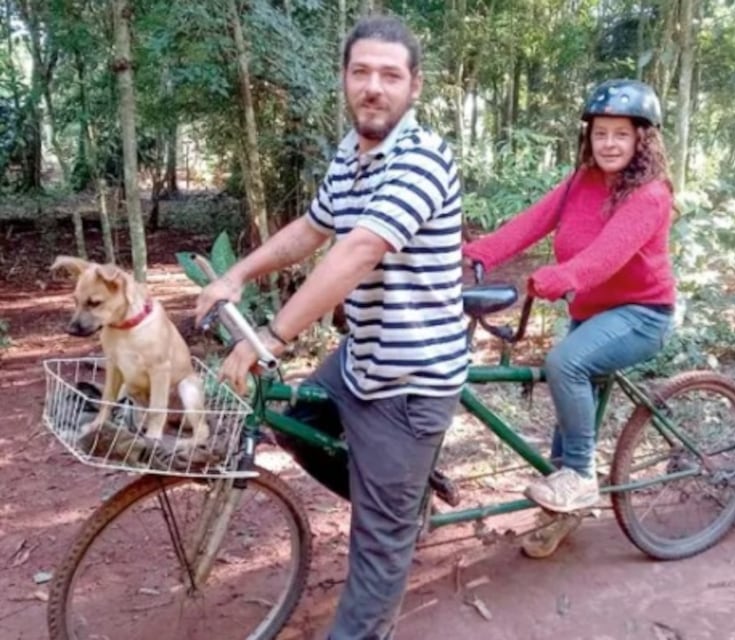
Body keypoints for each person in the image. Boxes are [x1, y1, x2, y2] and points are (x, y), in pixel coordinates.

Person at [195, 15, 467, 640]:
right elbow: (314, 229)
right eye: (361, 72)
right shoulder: (352, 153)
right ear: (344, 78)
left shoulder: (421, 159)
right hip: (359, 357)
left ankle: (392, 518)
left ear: (415, 86)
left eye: (390, 75)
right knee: (297, 423)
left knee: (377, 545)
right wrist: (236, 275)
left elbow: (358, 251)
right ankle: (402, 499)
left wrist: (271, 337)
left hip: (410, 379)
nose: (373, 86)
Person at [462, 79, 676, 553]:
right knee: (568, 400)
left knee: (565, 363)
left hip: (642, 314)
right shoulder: (582, 181)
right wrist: (480, 252)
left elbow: (606, 256)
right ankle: (563, 507)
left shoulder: (650, 194)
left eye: (621, 134)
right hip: (593, 316)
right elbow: (533, 221)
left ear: (642, 138)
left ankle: (579, 477)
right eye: (601, 133)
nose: (609, 143)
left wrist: (563, 276)